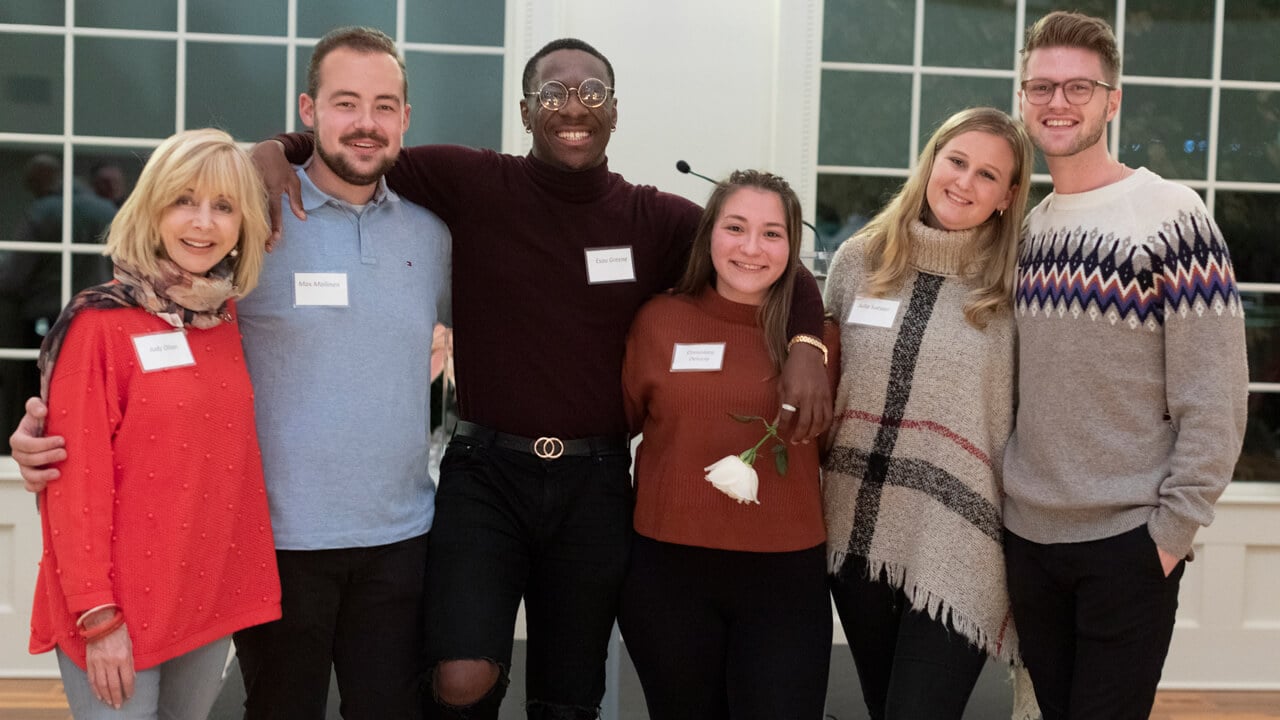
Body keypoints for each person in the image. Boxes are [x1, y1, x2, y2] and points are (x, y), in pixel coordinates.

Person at [252, 38, 832, 720]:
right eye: (553, 95)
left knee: (567, 696)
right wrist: (273, 150)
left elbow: (766, 256)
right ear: (526, 112)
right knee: (459, 675)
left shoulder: (653, 220)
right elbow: (358, 144)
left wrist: (806, 343)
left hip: (594, 484)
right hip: (486, 472)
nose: (572, 108)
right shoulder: (470, 183)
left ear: (615, 110)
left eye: (591, 93)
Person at [15, 27, 451, 719]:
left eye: (384, 105)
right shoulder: (258, 223)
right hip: (273, 544)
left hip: (390, 538)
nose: (365, 123)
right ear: (308, 111)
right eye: (345, 103)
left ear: (405, 117)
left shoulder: (432, 235)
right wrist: (43, 428)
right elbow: (112, 388)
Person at [1002, 11, 1248, 720]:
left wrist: (1171, 536)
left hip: (1127, 545)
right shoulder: (1029, 227)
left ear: (1113, 101)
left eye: (1080, 87)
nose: (1057, 102)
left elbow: (1217, 393)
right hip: (1029, 539)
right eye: (1041, 86)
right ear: (1023, 97)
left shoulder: (1171, 214)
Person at [27, 127, 280, 718]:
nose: (203, 223)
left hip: (202, 593)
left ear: (244, 223)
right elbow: (74, 484)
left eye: (224, 206)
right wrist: (97, 615)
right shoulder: (98, 326)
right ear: (151, 207)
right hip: (112, 606)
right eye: (183, 200)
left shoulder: (223, 321)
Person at [822, 107, 1034, 720]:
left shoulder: (1018, 283)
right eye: (957, 161)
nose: (965, 183)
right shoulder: (858, 263)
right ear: (931, 162)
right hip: (855, 530)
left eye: (988, 175)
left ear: (1009, 195)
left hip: (962, 537)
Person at [618, 170, 839, 720]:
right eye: (735, 227)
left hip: (785, 578)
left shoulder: (820, 340)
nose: (751, 248)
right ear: (708, 234)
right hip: (668, 574)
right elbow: (613, 426)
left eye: (772, 234)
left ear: (791, 246)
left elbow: (836, 447)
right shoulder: (657, 320)